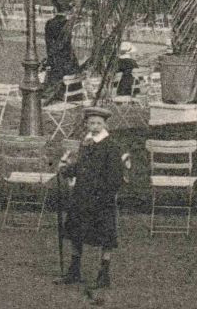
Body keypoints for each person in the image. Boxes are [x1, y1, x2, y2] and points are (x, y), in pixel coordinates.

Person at [58, 106, 124, 294]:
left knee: (105, 235)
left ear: (104, 124)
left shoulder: (110, 145)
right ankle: (74, 270)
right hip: (81, 195)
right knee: (76, 231)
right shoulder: (86, 142)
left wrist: (104, 193)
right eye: (91, 122)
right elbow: (82, 166)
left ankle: (104, 273)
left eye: (98, 123)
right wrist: (67, 170)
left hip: (101, 198)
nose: (94, 126)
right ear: (86, 123)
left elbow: (115, 176)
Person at [42, 0, 80, 102]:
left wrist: (49, 58)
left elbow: (49, 44)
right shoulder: (68, 24)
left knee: (54, 82)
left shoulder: (50, 23)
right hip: (68, 58)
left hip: (56, 59)